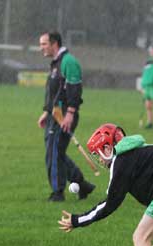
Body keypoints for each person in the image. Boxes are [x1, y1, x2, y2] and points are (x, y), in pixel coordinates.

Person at [37, 31, 95, 202]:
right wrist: (46, 112)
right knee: (57, 153)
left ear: (54, 43)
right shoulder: (56, 63)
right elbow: (56, 92)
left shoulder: (68, 62)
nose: (41, 48)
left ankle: (57, 192)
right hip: (54, 115)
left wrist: (70, 113)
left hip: (63, 116)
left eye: (44, 44)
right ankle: (82, 185)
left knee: (53, 153)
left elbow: (74, 90)